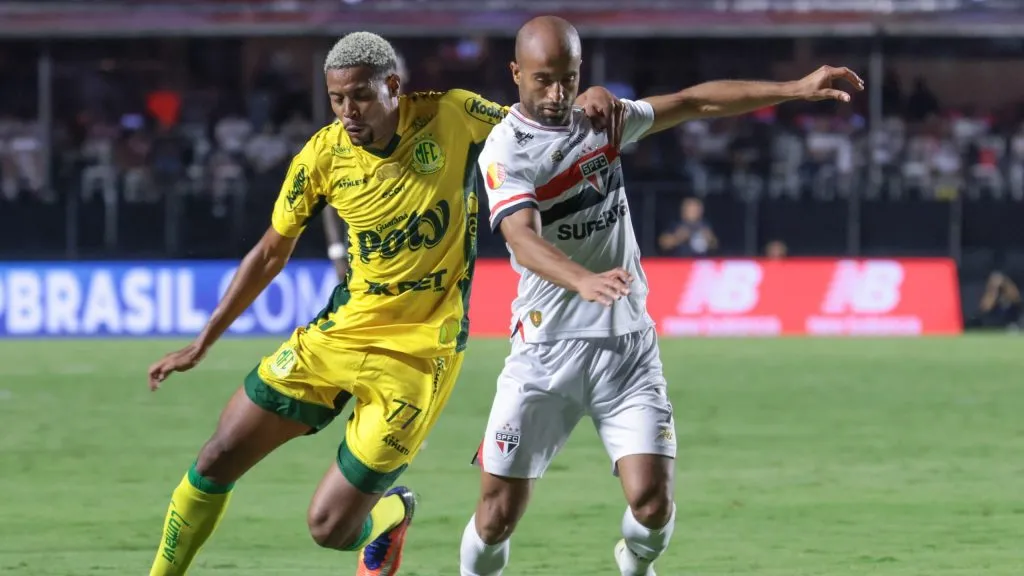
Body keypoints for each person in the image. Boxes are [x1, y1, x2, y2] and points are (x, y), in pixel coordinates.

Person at [145, 31, 623, 576]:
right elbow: (269, 254)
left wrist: (592, 98)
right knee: (216, 458)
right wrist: (203, 341)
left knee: (329, 529)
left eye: (361, 96)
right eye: (337, 99)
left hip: (419, 356)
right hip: (340, 334)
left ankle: (393, 514)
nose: (348, 111)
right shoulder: (321, 157)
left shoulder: (453, 115)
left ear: (393, 86)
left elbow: (540, 126)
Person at [460, 16, 863, 576]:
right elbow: (521, 238)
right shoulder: (505, 150)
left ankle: (636, 565)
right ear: (515, 74)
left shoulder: (604, 120)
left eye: (569, 79)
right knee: (496, 515)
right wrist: (582, 280)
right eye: (543, 79)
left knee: (652, 505)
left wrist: (794, 89)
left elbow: (695, 103)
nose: (557, 94)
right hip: (545, 351)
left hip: (627, 346)